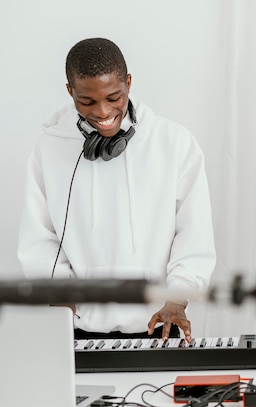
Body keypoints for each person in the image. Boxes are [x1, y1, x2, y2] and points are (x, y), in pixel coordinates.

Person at [17, 38, 216, 343]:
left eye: (114, 97)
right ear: (70, 91)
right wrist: (60, 294)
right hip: (76, 330)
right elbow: (39, 238)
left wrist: (178, 296)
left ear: (129, 84)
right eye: (87, 102)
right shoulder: (49, 148)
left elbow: (194, 235)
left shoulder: (175, 143)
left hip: (161, 323)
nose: (103, 111)